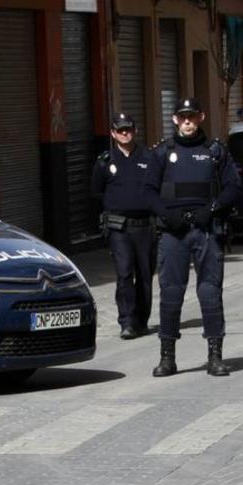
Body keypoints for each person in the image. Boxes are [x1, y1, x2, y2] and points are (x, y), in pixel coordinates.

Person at [144, 98, 241, 377]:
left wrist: (211, 209)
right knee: (171, 294)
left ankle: (215, 356)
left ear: (201, 117)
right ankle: (167, 357)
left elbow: (234, 187)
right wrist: (167, 214)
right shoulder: (162, 152)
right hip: (173, 233)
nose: (187, 122)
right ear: (175, 119)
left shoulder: (215, 151)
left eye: (192, 116)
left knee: (210, 292)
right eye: (182, 117)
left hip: (206, 230)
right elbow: (148, 192)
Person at [91, 113, 155, 340]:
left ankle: (142, 320)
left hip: (145, 226)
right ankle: (126, 322)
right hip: (119, 228)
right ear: (113, 133)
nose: (125, 133)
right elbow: (97, 191)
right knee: (125, 274)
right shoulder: (105, 161)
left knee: (145, 275)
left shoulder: (149, 157)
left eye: (128, 129)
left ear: (134, 131)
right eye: (120, 130)